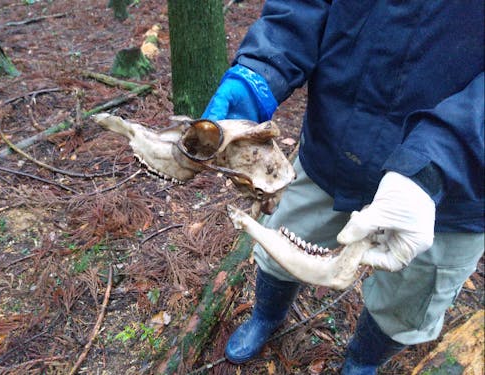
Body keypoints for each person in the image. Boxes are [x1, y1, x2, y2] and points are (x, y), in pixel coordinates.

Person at [201, 1, 484, 373]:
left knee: (409, 302)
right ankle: (267, 316)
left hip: (457, 196)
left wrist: (436, 166)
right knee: (281, 242)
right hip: (335, 151)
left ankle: (361, 361)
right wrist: (260, 74)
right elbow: (302, 9)